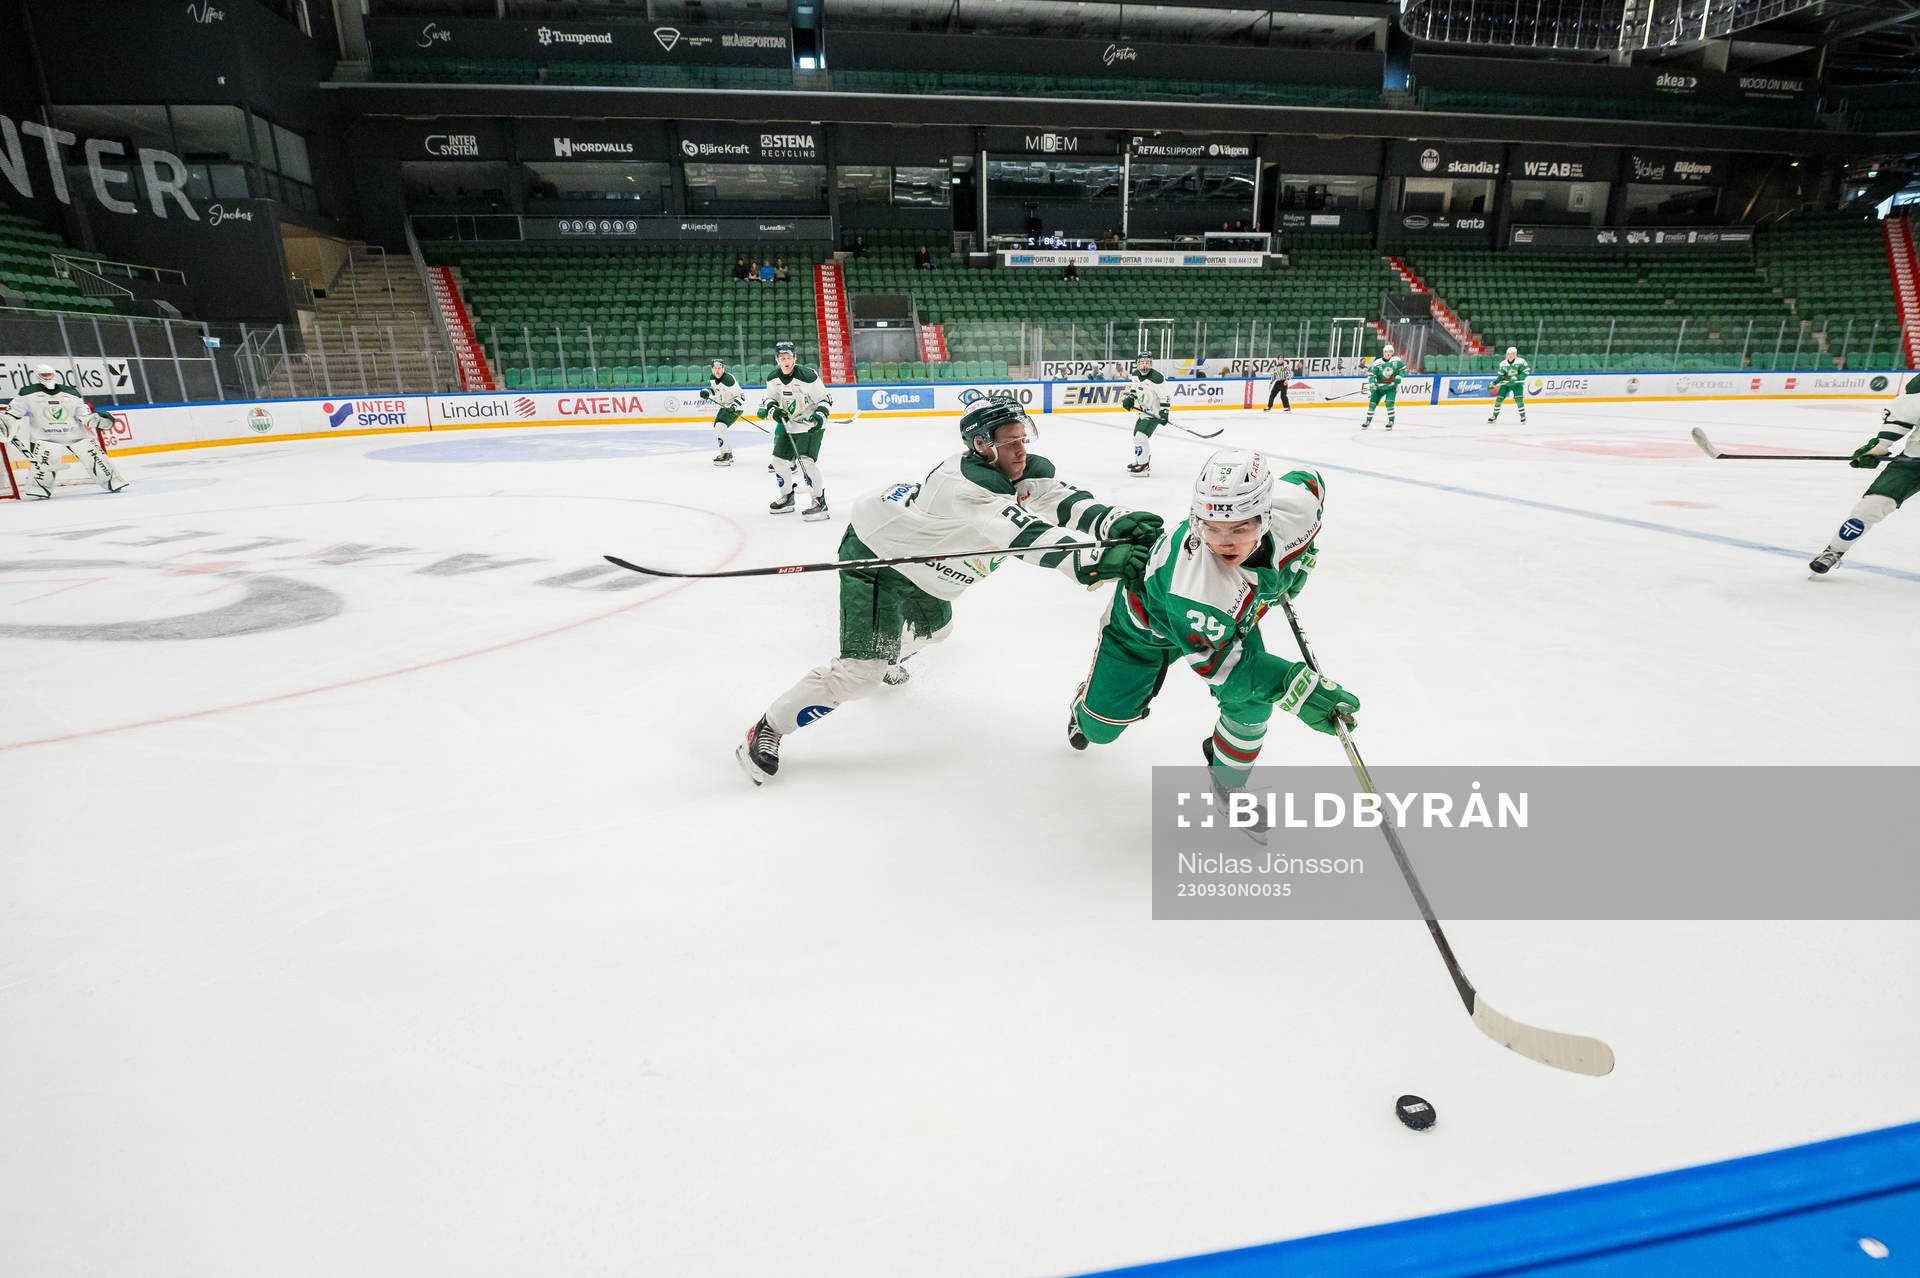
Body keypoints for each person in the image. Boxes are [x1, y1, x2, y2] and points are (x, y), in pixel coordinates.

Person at [737, 399, 1163, 784]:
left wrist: (1113, 522)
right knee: (860, 674)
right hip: (880, 555)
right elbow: (1028, 536)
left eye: (1023, 438)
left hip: (927, 567)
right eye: (1011, 442)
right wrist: (1096, 563)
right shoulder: (962, 486)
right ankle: (770, 726)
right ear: (981, 446)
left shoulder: (1015, 470)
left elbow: (1057, 499)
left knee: (937, 631)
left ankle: (889, 652)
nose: (1022, 450)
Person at [1069, 449, 1357, 843]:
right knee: (1100, 730)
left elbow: (1311, 481)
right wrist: (1298, 687)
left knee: (1252, 705)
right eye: (1212, 527)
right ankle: (1083, 707)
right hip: (1143, 631)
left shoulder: (1297, 508)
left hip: (1227, 618)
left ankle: (1227, 785)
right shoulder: (1199, 586)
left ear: (1266, 513)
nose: (1223, 541)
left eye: (1240, 527)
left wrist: (1300, 561)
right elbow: (1233, 675)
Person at [1809, 370, 1920, 575]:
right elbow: (1903, 417)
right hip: (1915, 461)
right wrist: (1879, 446)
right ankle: (1834, 551)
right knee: (1874, 504)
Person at [3, 364, 126, 498]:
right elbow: (14, 413)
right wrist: (5, 422)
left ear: (54, 375)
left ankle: (113, 481)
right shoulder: (27, 393)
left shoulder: (71, 393)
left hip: (76, 435)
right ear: (37, 376)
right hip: (45, 437)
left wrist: (96, 419)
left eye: (49, 374)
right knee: (44, 469)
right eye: (44, 375)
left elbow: (83, 414)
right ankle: (39, 489)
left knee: (96, 458)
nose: (47, 377)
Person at [759, 341, 833, 521]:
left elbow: (826, 399)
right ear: (777, 359)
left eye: (789, 357)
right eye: (782, 357)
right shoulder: (772, 378)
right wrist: (773, 410)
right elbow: (769, 399)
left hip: (811, 426)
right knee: (778, 461)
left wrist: (817, 418)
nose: (786, 360)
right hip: (789, 424)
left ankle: (819, 501)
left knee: (806, 463)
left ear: (795, 358)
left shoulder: (807, 376)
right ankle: (788, 497)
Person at [1122, 352, 1169, 476]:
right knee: (1136, 436)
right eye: (1142, 362)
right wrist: (1131, 397)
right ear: (1137, 364)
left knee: (1140, 437)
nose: (1145, 364)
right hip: (1144, 412)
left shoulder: (1157, 378)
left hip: (1154, 414)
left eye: (1147, 362)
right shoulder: (1135, 375)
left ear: (1151, 363)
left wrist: (1164, 412)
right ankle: (1140, 461)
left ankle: (1144, 466)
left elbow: (1165, 397)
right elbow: (1135, 388)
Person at [701, 358, 747, 467]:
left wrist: (734, 406)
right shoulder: (712, 378)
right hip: (725, 406)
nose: (717, 370)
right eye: (715, 368)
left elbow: (741, 396)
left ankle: (725, 455)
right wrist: (706, 391)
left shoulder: (728, 380)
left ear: (723, 368)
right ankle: (728, 453)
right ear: (712, 369)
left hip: (736, 406)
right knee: (717, 428)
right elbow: (714, 389)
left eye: (720, 368)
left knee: (720, 427)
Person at [1361, 343, 1407, 431]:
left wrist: (1399, 377)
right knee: (1372, 404)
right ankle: (1368, 421)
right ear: (1383, 352)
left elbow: (1403, 370)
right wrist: (1372, 384)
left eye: (1390, 351)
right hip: (1379, 388)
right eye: (1386, 351)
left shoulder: (1396, 362)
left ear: (1392, 352)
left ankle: (1391, 422)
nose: (1388, 353)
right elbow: (1371, 375)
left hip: (1391, 387)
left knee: (1389, 403)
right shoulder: (1377, 363)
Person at [1489, 346, 1529, 423]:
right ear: (1506, 355)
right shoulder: (1503, 364)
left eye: (1512, 354)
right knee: (1498, 400)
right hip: (1506, 384)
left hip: (1517, 384)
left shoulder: (1521, 361)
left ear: (1515, 354)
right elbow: (1501, 376)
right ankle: (1494, 416)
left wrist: (1516, 377)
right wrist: (1494, 383)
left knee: (1519, 400)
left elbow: (1526, 372)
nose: (1510, 355)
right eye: (1509, 354)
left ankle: (1523, 416)